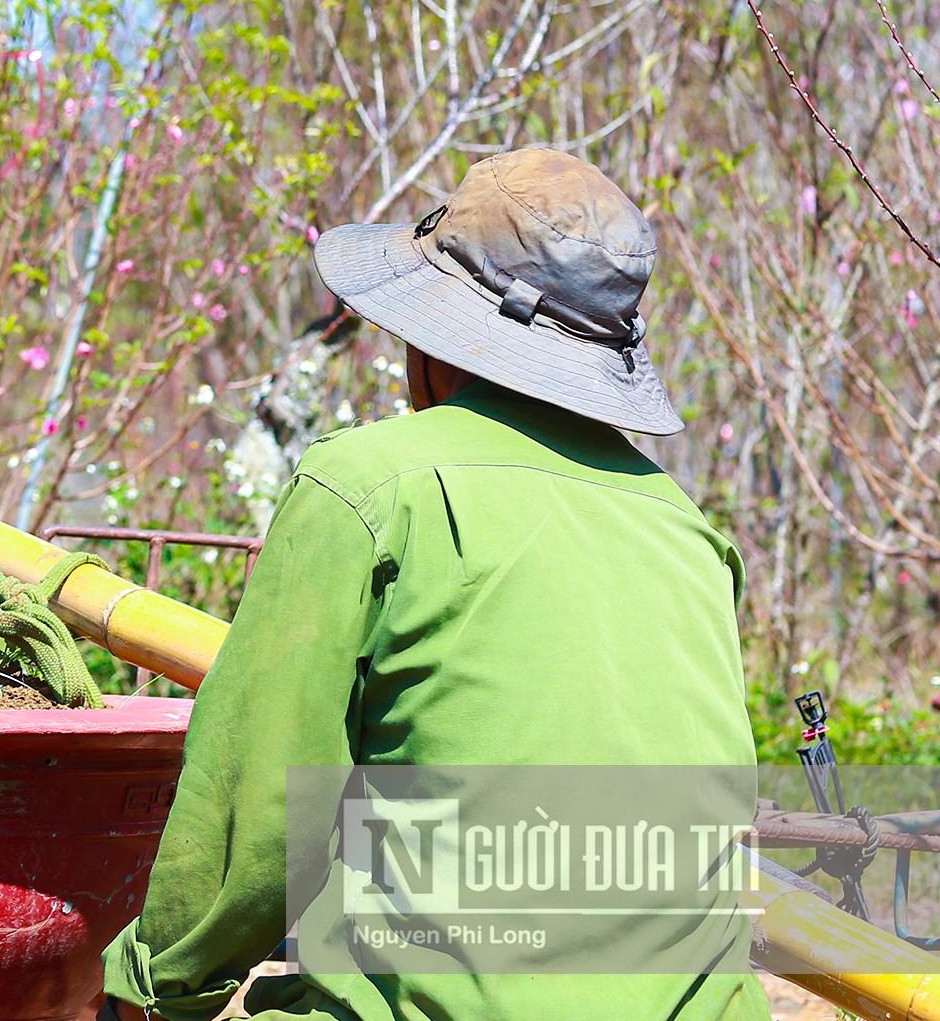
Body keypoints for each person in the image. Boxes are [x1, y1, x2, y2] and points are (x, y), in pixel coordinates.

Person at [105, 148, 768, 1021]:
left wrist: (154, 989)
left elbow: (260, 819)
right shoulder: (689, 530)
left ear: (438, 339)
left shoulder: (371, 485)